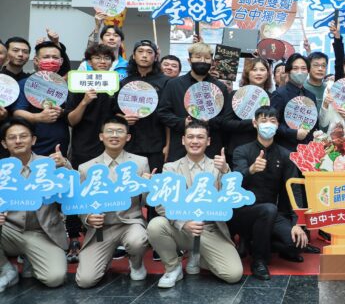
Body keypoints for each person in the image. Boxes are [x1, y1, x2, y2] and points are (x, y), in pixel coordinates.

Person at [148, 120, 243, 288]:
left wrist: (226, 171)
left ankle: (200, 255)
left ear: (208, 141)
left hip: (210, 229)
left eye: (200, 137)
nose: (195, 141)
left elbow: (231, 198)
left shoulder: (218, 166)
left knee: (233, 275)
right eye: (190, 137)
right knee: (156, 225)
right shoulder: (170, 167)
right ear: (183, 140)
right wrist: (183, 223)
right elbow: (162, 205)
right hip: (181, 228)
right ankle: (173, 268)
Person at [232, 106, 309, 281]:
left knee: (297, 244)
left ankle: (255, 242)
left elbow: (294, 189)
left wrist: (298, 222)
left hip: (273, 214)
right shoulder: (241, 151)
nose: (268, 125)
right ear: (255, 123)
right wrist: (251, 170)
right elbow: (234, 181)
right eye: (263, 121)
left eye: (272, 121)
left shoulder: (285, 154)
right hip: (244, 212)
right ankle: (259, 260)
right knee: (267, 209)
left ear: (277, 126)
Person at [75, 117, 150, 288]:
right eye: (109, 131)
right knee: (85, 281)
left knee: (137, 240)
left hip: (130, 223)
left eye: (120, 131)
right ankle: (104, 259)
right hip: (101, 229)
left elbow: (146, 202)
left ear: (128, 137)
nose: (114, 135)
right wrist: (88, 218)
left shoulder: (140, 163)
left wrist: (148, 186)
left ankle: (136, 264)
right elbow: (81, 203)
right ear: (101, 136)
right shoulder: (86, 168)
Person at [0, 119, 70, 291]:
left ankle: (32, 259)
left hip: (42, 232)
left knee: (55, 278)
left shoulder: (50, 164)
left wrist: (65, 165)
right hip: (8, 230)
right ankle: (6, 269)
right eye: (12, 137)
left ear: (33, 140)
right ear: (4, 143)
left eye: (23, 136)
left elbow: (73, 190)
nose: (18, 141)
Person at [156, 42, 231, 162]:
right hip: (180, 145)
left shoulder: (220, 87)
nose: (202, 61)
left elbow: (226, 117)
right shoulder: (174, 84)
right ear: (189, 60)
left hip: (211, 146)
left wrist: (210, 121)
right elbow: (162, 113)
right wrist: (182, 122)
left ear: (212, 62)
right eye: (198, 57)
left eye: (207, 58)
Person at [115, 40, 170, 173]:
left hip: (157, 144)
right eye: (140, 51)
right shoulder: (125, 83)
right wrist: (123, 118)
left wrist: (168, 145)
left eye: (149, 52)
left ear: (156, 57)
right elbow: (114, 112)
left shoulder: (166, 82)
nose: (144, 55)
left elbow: (168, 116)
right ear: (134, 56)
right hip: (130, 144)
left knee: (154, 186)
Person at [13, 41, 70, 157]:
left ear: (61, 61)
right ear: (36, 61)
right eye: (46, 57)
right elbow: (17, 112)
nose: (51, 60)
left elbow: (72, 113)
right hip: (32, 145)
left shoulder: (67, 85)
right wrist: (38, 117)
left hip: (59, 146)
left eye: (55, 57)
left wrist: (62, 112)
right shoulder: (25, 84)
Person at [65, 44, 116, 168]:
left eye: (107, 58)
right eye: (97, 58)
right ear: (89, 62)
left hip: (111, 146)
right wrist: (84, 102)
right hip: (83, 146)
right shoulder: (77, 85)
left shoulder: (117, 85)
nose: (103, 62)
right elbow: (71, 121)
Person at [224, 57, 273, 164]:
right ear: (247, 73)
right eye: (254, 70)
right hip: (238, 149)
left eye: (262, 70)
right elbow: (226, 123)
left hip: (264, 150)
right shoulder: (236, 95)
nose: (258, 73)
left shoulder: (272, 97)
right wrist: (251, 123)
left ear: (268, 74)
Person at [270, 53, 318, 151]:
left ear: (308, 71)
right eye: (295, 68)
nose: (300, 72)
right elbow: (271, 122)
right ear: (288, 71)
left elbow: (313, 122)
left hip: (306, 150)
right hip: (285, 149)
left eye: (303, 68)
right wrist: (293, 133)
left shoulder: (311, 95)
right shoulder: (279, 94)